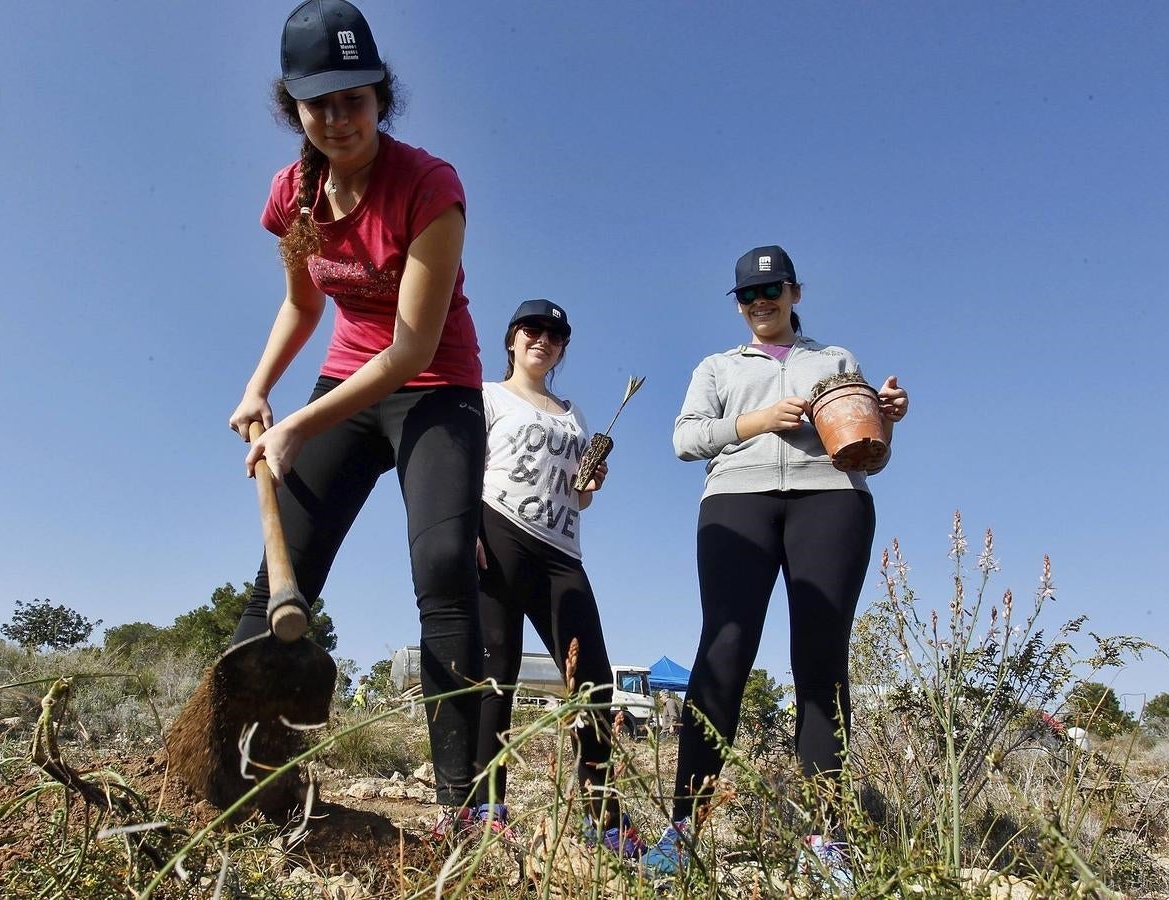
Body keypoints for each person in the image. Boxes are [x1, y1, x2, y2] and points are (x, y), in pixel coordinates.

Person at [227, 0, 485, 837]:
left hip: (435, 384)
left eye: (356, 99)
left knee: (445, 566)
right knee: (281, 574)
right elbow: (302, 307)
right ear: (292, 107)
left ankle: (468, 809)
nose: (339, 119)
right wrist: (262, 386)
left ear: (382, 96)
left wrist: (300, 426)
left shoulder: (429, 187)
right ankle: (229, 775)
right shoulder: (291, 196)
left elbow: (410, 348)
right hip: (345, 377)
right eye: (319, 103)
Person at [644, 245, 909, 876]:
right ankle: (683, 830)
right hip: (738, 499)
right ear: (737, 303)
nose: (760, 303)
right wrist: (757, 420)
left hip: (831, 499)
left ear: (795, 293)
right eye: (747, 295)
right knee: (724, 652)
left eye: (772, 291)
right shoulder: (717, 367)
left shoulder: (834, 359)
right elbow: (686, 439)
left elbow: (869, 454)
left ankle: (825, 839)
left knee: (820, 659)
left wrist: (887, 420)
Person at [473, 299, 646, 858]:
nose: (542, 340)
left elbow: (580, 498)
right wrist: (465, 533)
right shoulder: (488, 396)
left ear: (562, 348)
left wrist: (591, 482)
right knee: (497, 665)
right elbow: (465, 467)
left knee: (592, 677)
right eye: (532, 330)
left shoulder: (574, 415)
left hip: (561, 551)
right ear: (512, 339)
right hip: (499, 527)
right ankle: (484, 806)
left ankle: (602, 814)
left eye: (554, 334)